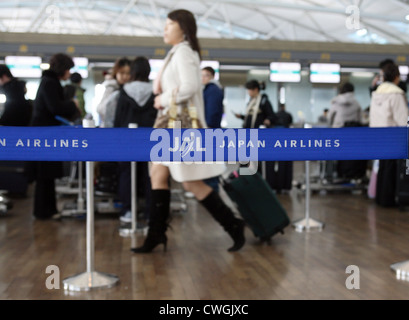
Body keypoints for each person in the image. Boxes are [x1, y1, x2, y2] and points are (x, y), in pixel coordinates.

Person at [131, 9, 245, 254]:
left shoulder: (184, 52)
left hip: (178, 125)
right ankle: (156, 234)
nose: (165, 28)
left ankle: (233, 225)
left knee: (191, 183)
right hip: (169, 123)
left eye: (170, 24)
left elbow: (190, 87)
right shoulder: (175, 53)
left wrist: (162, 99)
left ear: (183, 27)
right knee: (158, 176)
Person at [27, 53, 80, 220]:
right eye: (69, 69)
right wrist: (72, 104)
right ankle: (44, 211)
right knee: (44, 175)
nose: (70, 73)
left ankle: (48, 210)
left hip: (44, 132)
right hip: (44, 134)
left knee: (47, 176)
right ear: (62, 69)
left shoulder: (48, 81)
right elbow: (55, 108)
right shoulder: (50, 83)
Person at [113, 56, 157, 224]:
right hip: (150, 138)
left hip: (127, 139)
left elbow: (118, 118)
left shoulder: (124, 92)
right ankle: (149, 212)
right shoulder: (155, 91)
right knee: (150, 176)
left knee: (126, 175)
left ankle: (128, 210)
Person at [369, 63, 409, 207]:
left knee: (383, 167)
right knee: (391, 168)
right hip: (393, 136)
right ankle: (389, 199)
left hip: (378, 135)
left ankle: (381, 198)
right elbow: (403, 119)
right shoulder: (396, 93)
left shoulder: (377, 93)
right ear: (396, 77)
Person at [201, 66, 224, 193]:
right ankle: (208, 189)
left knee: (211, 162)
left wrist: (208, 126)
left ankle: (211, 190)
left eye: (206, 75)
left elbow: (213, 112)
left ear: (212, 77)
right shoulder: (209, 89)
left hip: (211, 131)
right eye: (202, 75)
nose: (203, 78)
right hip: (210, 130)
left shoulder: (213, 90)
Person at [96, 57, 131, 127]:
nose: (125, 76)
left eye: (128, 73)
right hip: (111, 128)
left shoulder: (132, 90)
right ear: (116, 73)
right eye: (122, 73)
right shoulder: (111, 87)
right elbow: (101, 108)